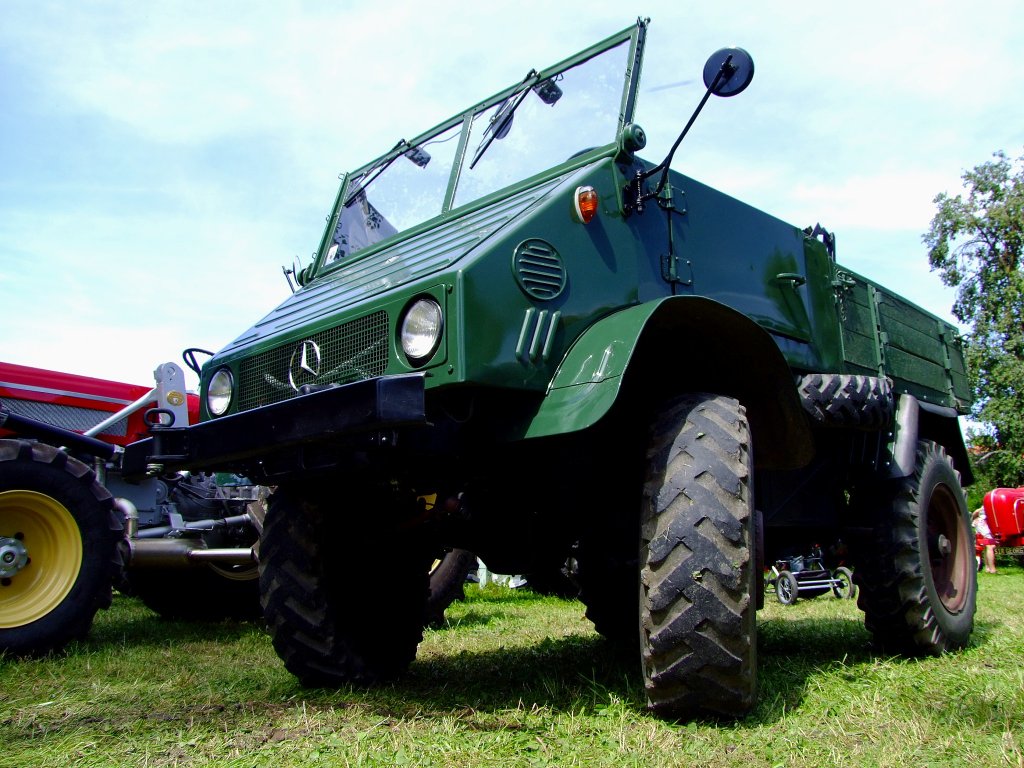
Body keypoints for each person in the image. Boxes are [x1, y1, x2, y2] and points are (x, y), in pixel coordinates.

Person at [972, 507, 998, 574]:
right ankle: (992, 569)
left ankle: (988, 568)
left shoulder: (985, 505)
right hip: (982, 524)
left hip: (980, 523)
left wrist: (974, 519)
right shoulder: (989, 505)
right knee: (991, 546)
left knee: (987, 546)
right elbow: (977, 511)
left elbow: (976, 512)